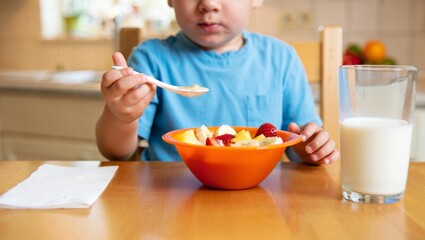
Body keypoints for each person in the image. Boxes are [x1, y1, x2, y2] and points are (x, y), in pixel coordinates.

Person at [96, 0, 340, 165]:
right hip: (168, 198)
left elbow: (301, 144)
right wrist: (121, 116)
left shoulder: (281, 59)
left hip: (260, 200)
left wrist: (312, 148)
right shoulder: (151, 60)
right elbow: (116, 153)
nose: (208, 4)